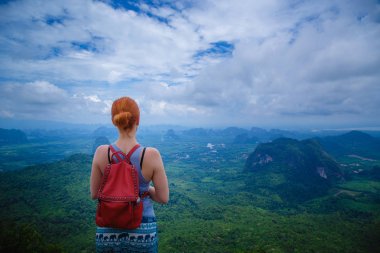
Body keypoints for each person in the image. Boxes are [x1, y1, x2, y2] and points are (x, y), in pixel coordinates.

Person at [90, 96, 169, 253]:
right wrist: (146, 189)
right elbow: (163, 198)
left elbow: (94, 194)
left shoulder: (101, 152)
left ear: (114, 121)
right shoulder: (151, 155)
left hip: (107, 229)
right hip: (143, 228)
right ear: (138, 120)